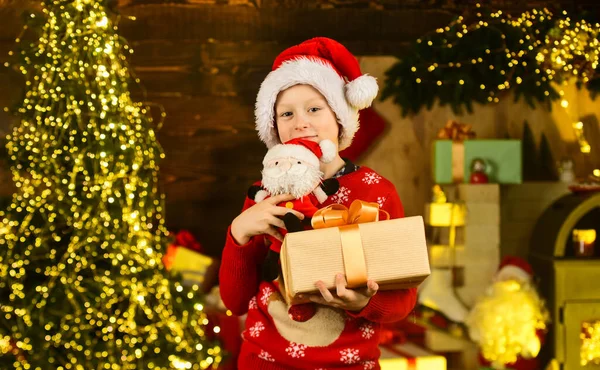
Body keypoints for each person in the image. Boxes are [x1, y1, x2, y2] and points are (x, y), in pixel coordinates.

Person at [219, 37, 417, 370]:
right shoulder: (263, 194)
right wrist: (238, 233)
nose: (301, 122)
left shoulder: (375, 192)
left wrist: (365, 302)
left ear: (340, 117)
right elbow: (235, 302)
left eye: (314, 108)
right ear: (274, 127)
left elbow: (403, 300)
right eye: (286, 113)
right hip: (265, 361)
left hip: (351, 364)